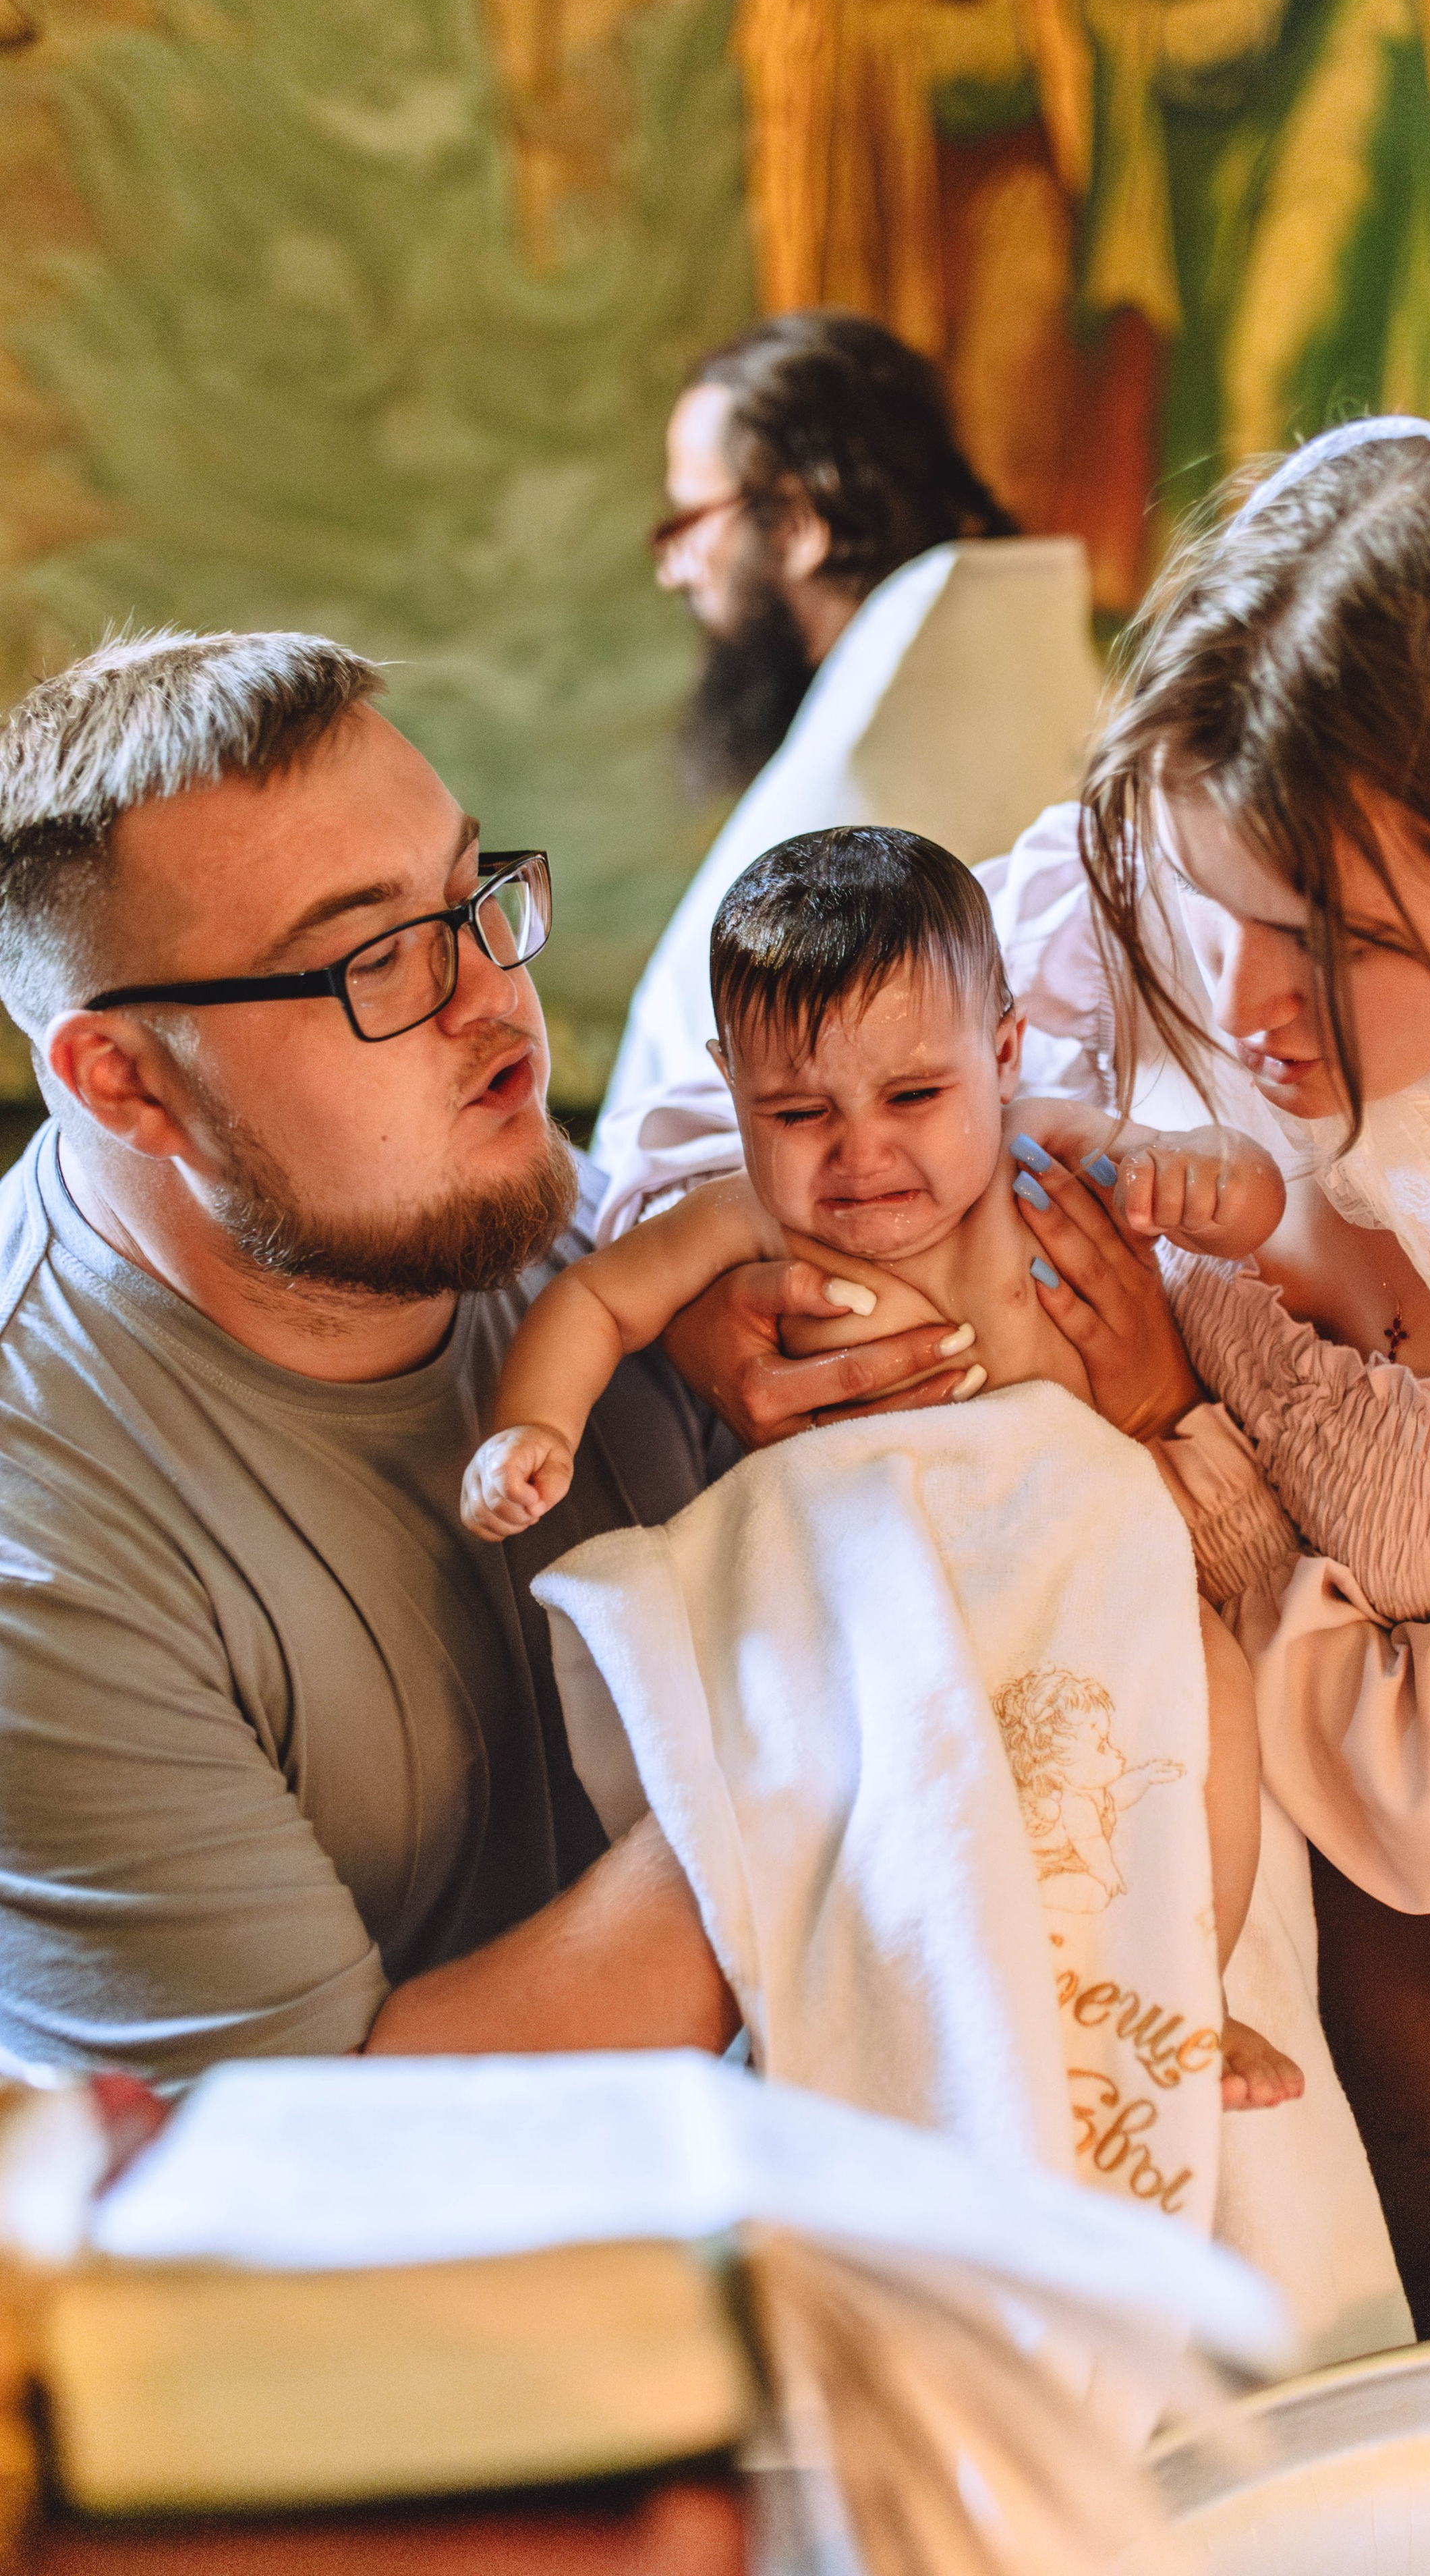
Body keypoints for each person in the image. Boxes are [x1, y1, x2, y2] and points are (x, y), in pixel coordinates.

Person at [602, 420, 1430, 2339]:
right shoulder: (1106, 917)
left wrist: (1163, 1444)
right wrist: (732, 1310)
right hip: (1077, 1966)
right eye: (1218, 898)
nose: (1245, 1000)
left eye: (1347, 944)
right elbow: (705, 1125)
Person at [0, 627, 818, 2084]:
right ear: (124, 1081)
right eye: (372, 956)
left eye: (471, 896)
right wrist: (883, 1697)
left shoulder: (499, 1199)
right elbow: (323, 2159)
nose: (490, 1001)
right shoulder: (37, 1542)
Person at [463, 825, 1298, 2109]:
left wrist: (1204, 1179)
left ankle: (1206, 1984)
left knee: (1210, 1694)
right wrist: (535, 1431)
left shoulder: (1039, 1158)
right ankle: (820, 2018)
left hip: (1084, 1578)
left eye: (915, 1098)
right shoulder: (750, 1214)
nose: (861, 1157)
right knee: (809, 1788)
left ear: (1001, 1056)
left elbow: (1248, 1200)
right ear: (732, 1089)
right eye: (797, 1114)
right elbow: (598, 1304)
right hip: (870, 1609)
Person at [589, 312, 1102, 1237]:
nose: (677, 571)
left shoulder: (892, 749)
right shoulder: (983, 664)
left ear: (798, 524)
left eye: (688, 522)